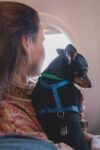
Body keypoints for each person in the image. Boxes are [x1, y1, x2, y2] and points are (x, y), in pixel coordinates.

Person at [0, 1, 73, 150]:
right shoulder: (11, 117)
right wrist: (98, 141)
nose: (44, 49)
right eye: (42, 40)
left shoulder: (19, 93)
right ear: (26, 43)